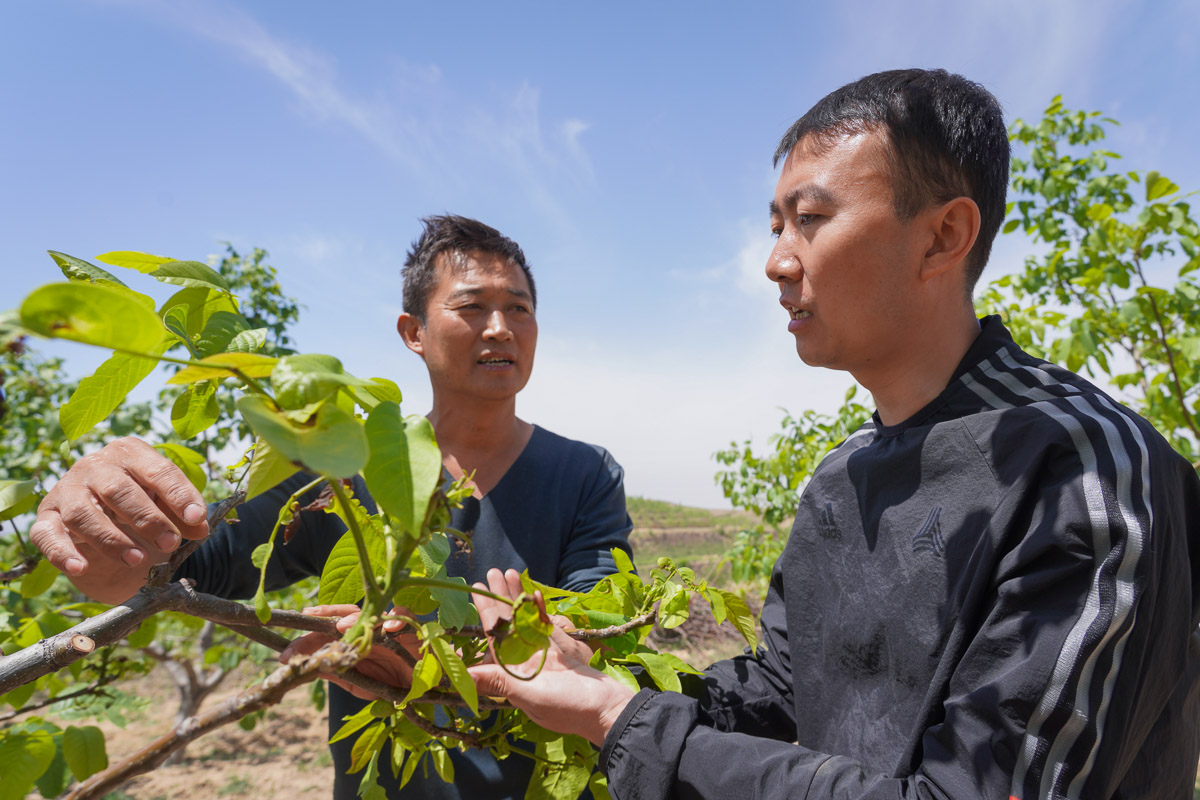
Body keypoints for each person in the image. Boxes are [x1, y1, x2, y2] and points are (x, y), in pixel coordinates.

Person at [463, 69, 1200, 800]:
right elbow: (783, 686)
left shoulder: (1082, 471)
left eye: (811, 219)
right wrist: (591, 684)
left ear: (944, 236)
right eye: (776, 224)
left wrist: (630, 722)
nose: (777, 261)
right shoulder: (842, 476)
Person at [29, 215, 634, 800]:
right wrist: (109, 532)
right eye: (472, 306)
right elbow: (185, 566)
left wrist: (507, 650)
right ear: (413, 332)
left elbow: (603, 623)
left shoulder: (585, 473)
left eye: (519, 308)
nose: (500, 327)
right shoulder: (345, 467)